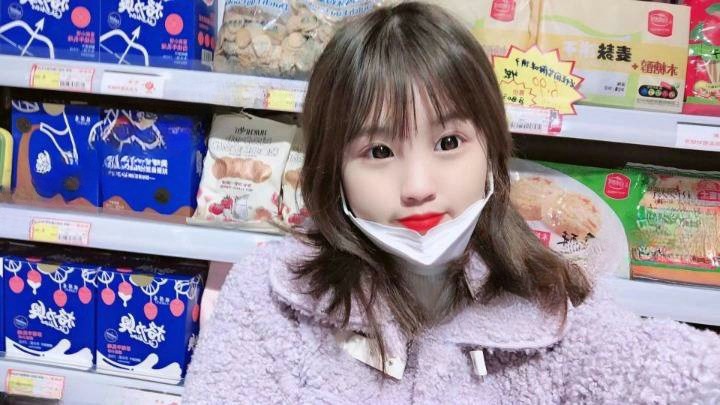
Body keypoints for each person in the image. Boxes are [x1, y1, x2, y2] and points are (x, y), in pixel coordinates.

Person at [182, 3, 720, 403]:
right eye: (379, 151)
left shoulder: (558, 311)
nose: (418, 186)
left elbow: (683, 375)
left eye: (448, 143)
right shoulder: (271, 300)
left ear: (491, 152)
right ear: (332, 169)